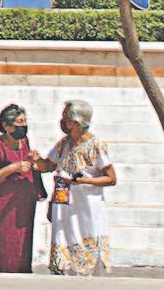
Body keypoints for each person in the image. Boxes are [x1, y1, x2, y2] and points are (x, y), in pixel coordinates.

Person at [38, 100, 116, 276]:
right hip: (63, 205)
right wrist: (37, 160)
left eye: (66, 118)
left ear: (76, 121)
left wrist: (83, 181)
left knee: (86, 245)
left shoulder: (95, 145)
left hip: (86, 208)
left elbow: (111, 178)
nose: (63, 122)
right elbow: (48, 165)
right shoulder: (64, 144)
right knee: (63, 242)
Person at [0, 103, 42, 273]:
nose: (23, 126)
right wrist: (12, 168)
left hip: (25, 202)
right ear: (6, 126)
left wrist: (34, 161)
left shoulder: (24, 141)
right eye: (19, 123)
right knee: (7, 245)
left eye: (25, 122)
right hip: (5, 203)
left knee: (24, 246)